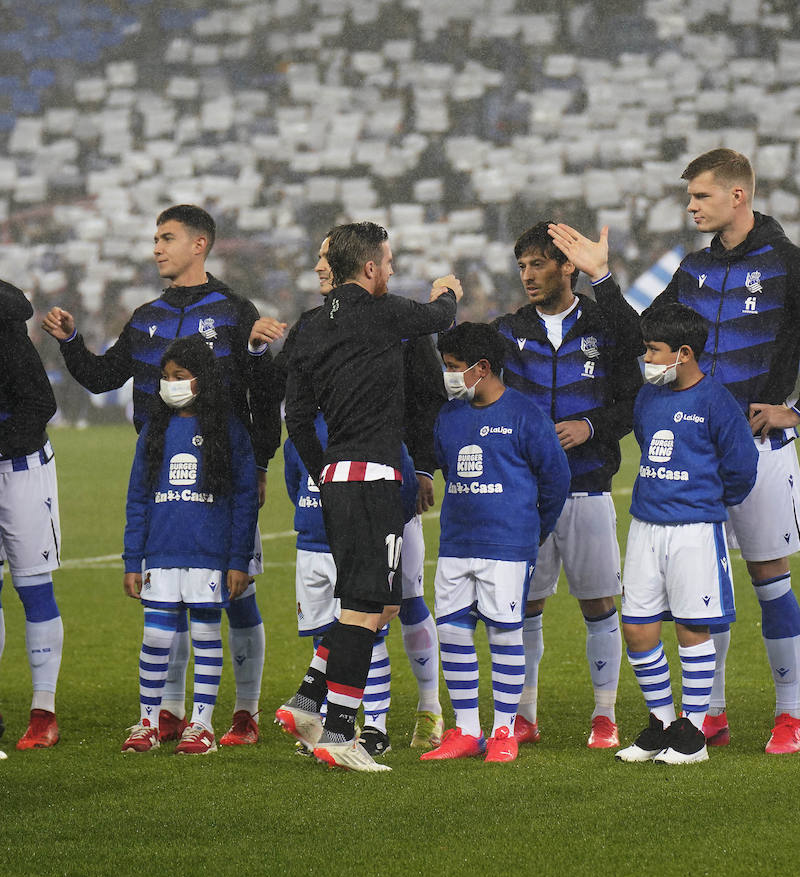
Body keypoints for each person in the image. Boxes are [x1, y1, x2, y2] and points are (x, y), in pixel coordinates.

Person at [556, 148, 800, 754]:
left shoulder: (786, 263)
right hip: (693, 459)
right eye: (690, 197)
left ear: (737, 196)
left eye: (701, 196)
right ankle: (709, 716)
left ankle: (789, 714)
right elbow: (647, 335)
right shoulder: (693, 269)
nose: (691, 206)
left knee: (770, 579)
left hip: (761, 448)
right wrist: (602, 278)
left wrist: (796, 409)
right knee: (700, 589)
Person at [41, 204, 280, 747]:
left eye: (166, 238)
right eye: (155, 239)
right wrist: (72, 343)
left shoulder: (235, 309)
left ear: (200, 244)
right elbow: (103, 378)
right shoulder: (146, 315)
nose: (156, 248)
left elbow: (264, 394)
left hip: (221, 471)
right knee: (165, 592)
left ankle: (244, 710)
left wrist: (261, 463)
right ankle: (169, 712)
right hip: (161, 473)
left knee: (234, 591)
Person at [274, 221, 461, 772]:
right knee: (364, 610)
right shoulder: (384, 313)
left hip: (335, 480)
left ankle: (309, 699)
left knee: (376, 601)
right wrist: (447, 289)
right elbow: (440, 318)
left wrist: (323, 471)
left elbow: (299, 419)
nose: (392, 270)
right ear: (372, 268)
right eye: (390, 262)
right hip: (376, 480)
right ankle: (338, 733)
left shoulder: (308, 327)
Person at [492, 222, 642, 750]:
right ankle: (524, 713)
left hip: (587, 487)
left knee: (599, 604)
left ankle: (605, 715)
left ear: (566, 267)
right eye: (523, 266)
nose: (528, 276)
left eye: (538, 264)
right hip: (524, 496)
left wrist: (592, 426)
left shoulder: (604, 327)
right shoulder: (506, 332)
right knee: (525, 606)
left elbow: (633, 397)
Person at [614, 302, 758, 765]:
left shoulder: (716, 401)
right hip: (644, 526)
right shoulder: (648, 397)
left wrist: (703, 501)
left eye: (654, 351)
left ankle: (693, 733)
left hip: (695, 529)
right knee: (637, 628)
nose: (648, 359)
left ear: (684, 353)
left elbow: (741, 468)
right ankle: (662, 723)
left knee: (692, 630)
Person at [420, 323, 569, 764]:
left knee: (505, 634)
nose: (447, 375)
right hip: (456, 544)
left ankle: (503, 729)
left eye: (453, 367)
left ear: (482, 369)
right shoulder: (449, 415)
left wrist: (531, 531)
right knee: (451, 631)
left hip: (508, 546)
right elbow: (448, 467)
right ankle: (466, 729)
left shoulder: (524, 415)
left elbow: (555, 480)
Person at [120, 336, 258, 754]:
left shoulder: (228, 430)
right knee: (157, 638)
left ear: (203, 380)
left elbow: (244, 499)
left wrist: (238, 561)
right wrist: (132, 559)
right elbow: (138, 497)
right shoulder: (154, 430)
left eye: (180, 377)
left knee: (204, 634)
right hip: (161, 554)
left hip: (207, 556)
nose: (171, 385)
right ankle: (146, 721)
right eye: (165, 377)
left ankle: (201, 725)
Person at [0, 280, 64, 750]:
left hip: (21, 466)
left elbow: (42, 404)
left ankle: (43, 710)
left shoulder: (6, 326)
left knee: (32, 585)